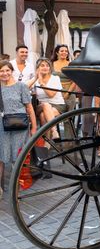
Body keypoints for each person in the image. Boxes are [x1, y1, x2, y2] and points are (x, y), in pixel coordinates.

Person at [0, 60, 37, 197]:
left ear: (11, 71)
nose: (4, 73)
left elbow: (29, 108)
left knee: (18, 157)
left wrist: (34, 127)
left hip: (19, 126)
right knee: (1, 157)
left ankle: (15, 189)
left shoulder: (21, 86)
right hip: (2, 126)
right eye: (1, 71)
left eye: (7, 70)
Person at [27, 58, 66, 136]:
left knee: (43, 115)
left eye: (47, 66)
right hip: (40, 106)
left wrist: (42, 83)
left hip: (58, 105)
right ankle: (54, 131)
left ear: (50, 68)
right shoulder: (35, 80)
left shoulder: (55, 79)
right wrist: (35, 78)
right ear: (38, 68)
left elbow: (51, 95)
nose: (45, 67)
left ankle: (47, 143)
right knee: (46, 105)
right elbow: (24, 88)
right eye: (42, 66)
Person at [51, 44, 77, 112]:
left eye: (66, 51)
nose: (64, 53)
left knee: (68, 118)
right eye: (62, 51)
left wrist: (67, 93)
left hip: (69, 91)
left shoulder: (71, 65)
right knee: (53, 114)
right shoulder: (51, 64)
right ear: (57, 52)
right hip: (54, 92)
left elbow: (74, 81)